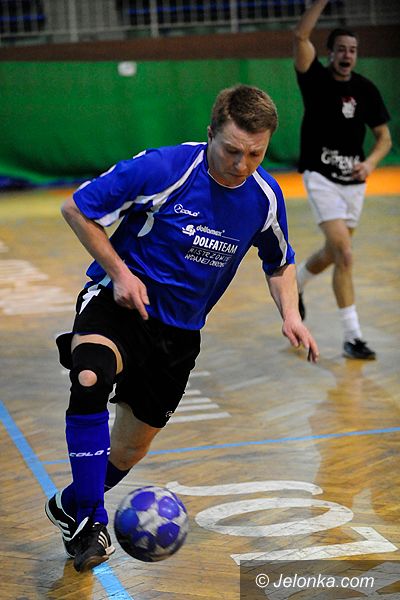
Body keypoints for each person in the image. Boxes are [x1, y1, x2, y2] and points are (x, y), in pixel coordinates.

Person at [45, 84, 319, 573]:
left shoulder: (264, 197)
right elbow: (77, 208)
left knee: (128, 450)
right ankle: (90, 523)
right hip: (120, 304)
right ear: (210, 132)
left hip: (179, 335)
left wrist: (291, 314)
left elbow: (279, 261)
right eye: (232, 150)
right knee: (89, 376)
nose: (242, 164)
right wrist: (121, 273)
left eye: (255, 154)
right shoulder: (163, 168)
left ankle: (71, 503)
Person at [293, 0, 392, 360]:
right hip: (321, 177)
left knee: (334, 253)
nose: (347, 55)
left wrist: (371, 163)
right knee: (345, 254)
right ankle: (353, 337)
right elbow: (300, 35)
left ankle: (297, 281)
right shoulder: (315, 79)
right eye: (341, 49)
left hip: (354, 182)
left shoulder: (365, 89)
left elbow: (384, 138)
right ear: (330, 53)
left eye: (353, 50)